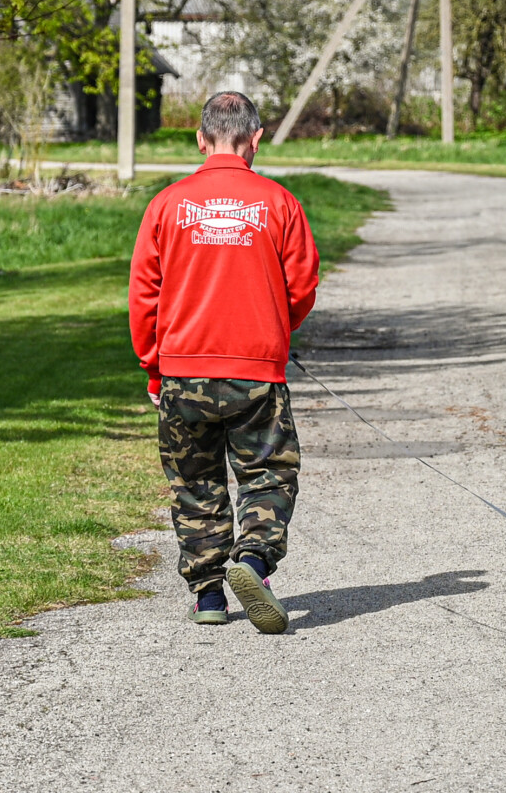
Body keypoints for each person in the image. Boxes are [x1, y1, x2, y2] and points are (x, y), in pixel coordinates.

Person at [128, 92, 319, 633]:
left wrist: (153, 367)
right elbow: (302, 285)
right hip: (256, 372)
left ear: (200, 139)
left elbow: (144, 294)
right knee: (268, 473)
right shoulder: (279, 203)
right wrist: (273, 331)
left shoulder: (166, 204)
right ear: (255, 139)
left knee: (195, 482)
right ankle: (252, 560)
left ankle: (209, 594)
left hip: (182, 371)